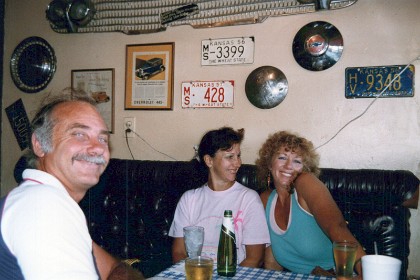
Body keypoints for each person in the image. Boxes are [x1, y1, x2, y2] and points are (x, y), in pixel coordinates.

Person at [0, 89, 144, 279]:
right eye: (79, 134)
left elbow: (112, 268)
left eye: (103, 138)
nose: (97, 148)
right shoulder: (43, 203)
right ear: (39, 144)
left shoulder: (45, 198)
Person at [256, 131, 365, 277]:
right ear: (269, 164)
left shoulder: (306, 182)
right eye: (282, 157)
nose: (289, 166)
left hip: (336, 275)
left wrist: (366, 273)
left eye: (297, 161)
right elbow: (272, 260)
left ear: (304, 168)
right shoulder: (265, 200)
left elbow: (337, 227)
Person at [169, 127, 270, 268]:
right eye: (230, 157)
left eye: (238, 156)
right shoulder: (189, 199)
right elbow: (179, 252)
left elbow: (255, 259)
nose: (238, 163)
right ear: (209, 160)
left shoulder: (249, 199)